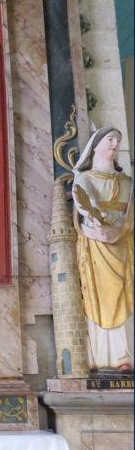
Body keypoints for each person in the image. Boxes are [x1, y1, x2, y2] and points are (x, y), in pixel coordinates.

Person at [72, 127, 133, 371]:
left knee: (126, 294)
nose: (115, 144)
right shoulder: (85, 178)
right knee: (103, 295)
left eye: (118, 140)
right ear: (95, 145)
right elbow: (83, 208)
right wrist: (95, 227)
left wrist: (119, 229)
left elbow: (131, 213)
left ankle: (126, 356)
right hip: (97, 245)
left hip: (125, 243)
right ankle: (105, 356)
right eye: (110, 139)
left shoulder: (127, 182)